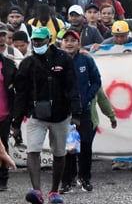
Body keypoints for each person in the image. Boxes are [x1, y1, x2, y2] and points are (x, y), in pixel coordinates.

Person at [11, 27, 81, 204]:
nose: (36, 44)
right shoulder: (27, 63)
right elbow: (21, 93)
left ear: (48, 40)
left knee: (59, 152)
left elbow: (72, 86)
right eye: (34, 41)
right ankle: (36, 191)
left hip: (61, 115)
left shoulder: (64, 59)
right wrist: (16, 122)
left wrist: (76, 113)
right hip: (36, 115)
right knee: (33, 150)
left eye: (40, 41)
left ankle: (53, 192)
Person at [59, 29, 102, 194]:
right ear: (61, 43)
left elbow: (97, 81)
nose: (69, 43)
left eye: (73, 40)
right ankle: (67, 181)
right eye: (66, 40)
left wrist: (88, 97)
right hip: (65, 112)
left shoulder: (86, 60)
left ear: (79, 44)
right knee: (69, 148)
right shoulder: (57, 61)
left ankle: (85, 178)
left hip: (83, 110)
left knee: (85, 144)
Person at [0, 46, 18, 191]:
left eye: (3, 36)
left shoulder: (9, 64)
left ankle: (3, 179)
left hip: (4, 113)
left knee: (3, 147)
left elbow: (19, 86)